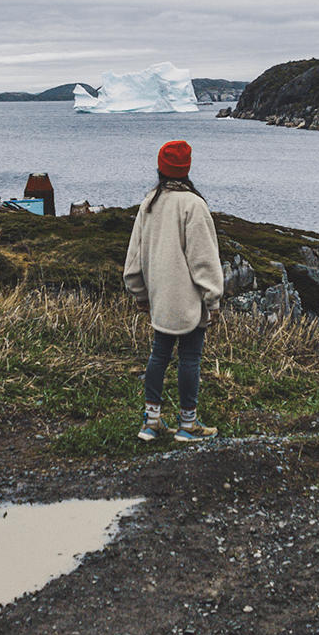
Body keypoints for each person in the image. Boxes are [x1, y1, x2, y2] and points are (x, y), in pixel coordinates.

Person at [124, 140, 225, 442]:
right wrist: (213, 299)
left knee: (159, 354)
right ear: (187, 168)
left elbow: (134, 257)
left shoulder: (150, 202)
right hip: (189, 301)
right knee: (190, 358)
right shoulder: (194, 205)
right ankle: (187, 425)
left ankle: (151, 423)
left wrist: (140, 294)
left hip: (161, 299)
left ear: (161, 167)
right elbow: (203, 260)